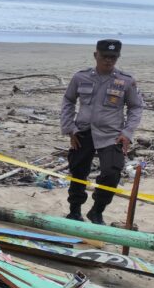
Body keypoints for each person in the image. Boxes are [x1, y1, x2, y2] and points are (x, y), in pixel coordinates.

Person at [60, 39, 143, 224]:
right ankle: (74, 211)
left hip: (112, 135)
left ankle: (97, 211)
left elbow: (136, 107)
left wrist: (127, 132)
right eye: (104, 56)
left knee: (112, 172)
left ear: (118, 57)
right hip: (82, 131)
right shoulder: (80, 77)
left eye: (113, 57)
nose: (108, 60)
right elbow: (68, 101)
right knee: (78, 172)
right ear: (95, 55)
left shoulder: (126, 81)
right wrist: (69, 128)